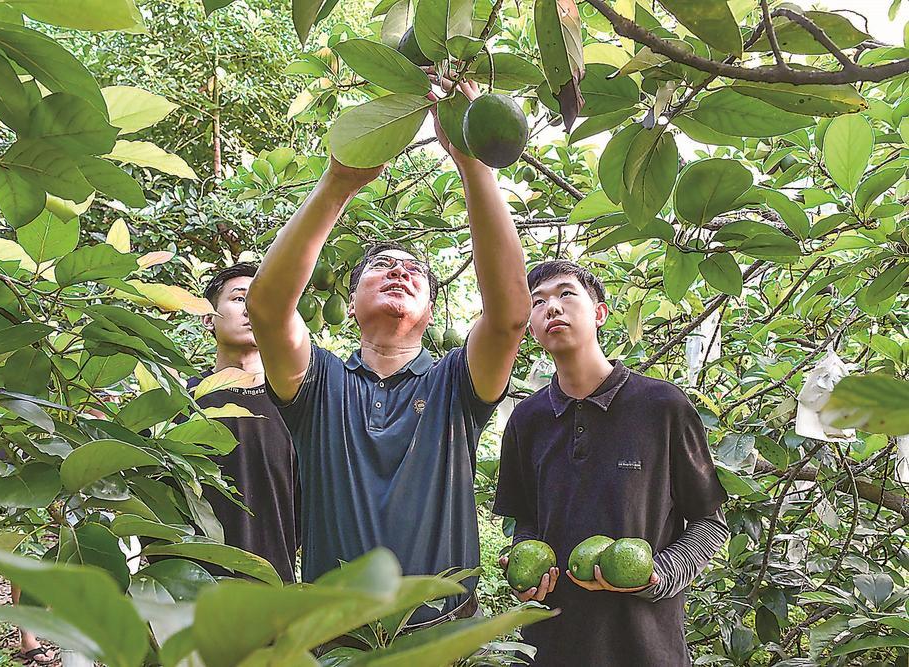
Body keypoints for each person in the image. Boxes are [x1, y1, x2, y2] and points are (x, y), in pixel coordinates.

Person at [246, 78, 531, 627]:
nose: (399, 270)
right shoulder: (319, 383)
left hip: (442, 639)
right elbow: (267, 307)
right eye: (381, 266)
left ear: (431, 313)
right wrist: (339, 182)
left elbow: (510, 315)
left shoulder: (456, 384)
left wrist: (473, 163)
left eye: (415, 270)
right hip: (336, 642)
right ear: (351, 305)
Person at [493, 261, 730, 666]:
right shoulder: (526, 420)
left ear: (600, 313)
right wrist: (527, 569)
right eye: (538, 302)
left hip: (647, 647)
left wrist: (658, 574)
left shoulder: (663, 406)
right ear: (531, 328)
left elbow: (710, 522)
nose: (552, 307)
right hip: (552, 646)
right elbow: (527, 521)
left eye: (566, 293)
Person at [189, 262, 301, 582]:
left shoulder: (298, 407)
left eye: (262, 300)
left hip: (274, 595)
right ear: (208, 318)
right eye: (240, 298)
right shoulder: (179, 402)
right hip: (188, 594)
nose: (252, 308)